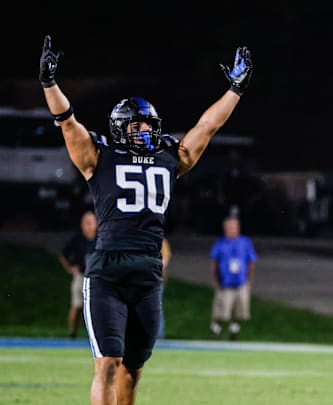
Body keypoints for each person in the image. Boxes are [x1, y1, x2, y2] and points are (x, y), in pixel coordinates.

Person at [39, 35, 252, 405]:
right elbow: (66, 121)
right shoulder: (98, 156)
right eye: (137, 125)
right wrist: (49, 83)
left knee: (133, 369)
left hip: (148, 269)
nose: (145, 130)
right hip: (107, 268)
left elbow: (207, 128)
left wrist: (235, 89)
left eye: (148, 125)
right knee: (107, 363)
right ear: (121, 127)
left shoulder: (170, 156)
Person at [210, 216, 257, 340]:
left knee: (239, 310)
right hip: (225, 283)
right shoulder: (220, 243)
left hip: (241, 282)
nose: (232, 230)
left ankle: (234, 333)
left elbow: (251, 261)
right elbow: (214, 262)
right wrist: (216, 278)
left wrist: (249, 278)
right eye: (230, 227)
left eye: (235, 227)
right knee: (222, 310)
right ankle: (215, 332)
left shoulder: (245, 242)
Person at [58, 210, 97, 338]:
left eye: (91, 223)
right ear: (82, 225)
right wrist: (69, 268)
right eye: (86, 223)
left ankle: (96, 333)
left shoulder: (101, 239)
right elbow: (63, 254)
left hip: (97, 278)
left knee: (97, 306)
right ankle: (72, 333)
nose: (89, 226)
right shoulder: (78, 239)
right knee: (77, 305)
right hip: (81, 276)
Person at [157, 238, 172, 339]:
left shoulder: (160, 240)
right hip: (136, 279)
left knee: (156, 307)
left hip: (155, 279)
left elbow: (165, 259)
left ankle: (159, 335)